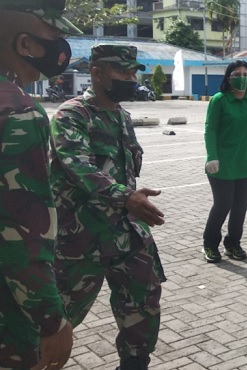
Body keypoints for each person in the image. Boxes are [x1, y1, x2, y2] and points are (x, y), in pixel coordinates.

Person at [49, 44, 166, 370]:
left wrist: (130, 197)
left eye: (133, 72)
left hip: (125, 235)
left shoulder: (123, 118)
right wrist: (126, 196)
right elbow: (81, 168)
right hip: (79, 240)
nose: (130, 79)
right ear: (97, 73)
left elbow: (125, 172)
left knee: (144, 305)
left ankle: (134, 363)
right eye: (123, 72)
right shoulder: (71, 115)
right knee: (56, 320)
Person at [0, 0, 81, 368]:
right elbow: (19, 232)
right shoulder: (17, 110)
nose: (62, 48)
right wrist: (51, 320)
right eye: (55, 35)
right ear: (24, 44)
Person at [202, 60, 247, 263]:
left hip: (245, 162)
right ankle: (210, 243)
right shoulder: (219, 100)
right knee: (223, 204)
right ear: (228, 77)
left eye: (246, 73)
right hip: (221, 163)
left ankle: (233, 243)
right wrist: (211, 156)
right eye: (237, 73)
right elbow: (211, 129)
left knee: (240, 207)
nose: (242, 77)